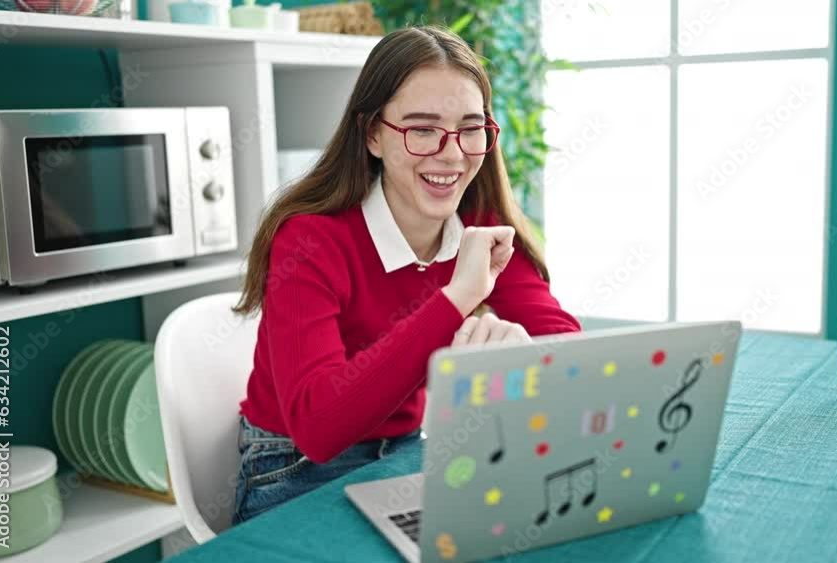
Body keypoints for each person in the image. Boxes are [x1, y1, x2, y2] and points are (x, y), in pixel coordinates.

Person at [228, 25, 581, 525]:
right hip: (293, 468)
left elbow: (568, 352)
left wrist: (519, 351)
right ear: (372, 133)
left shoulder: (480, 224)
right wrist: (457, 299)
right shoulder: (309, 240)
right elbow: (318, 429)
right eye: (422, 129)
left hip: (407, 455)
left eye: (470, 127)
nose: (453, 153)